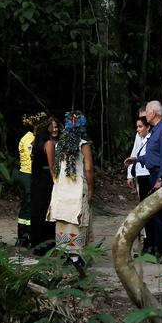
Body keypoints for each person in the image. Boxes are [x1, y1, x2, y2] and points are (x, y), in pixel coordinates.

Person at [47, 110, 94, 270]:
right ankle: (77, 258)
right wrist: (92, 189)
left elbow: (55, 167)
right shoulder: (84, 144)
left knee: (64, 220)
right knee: (78, 220)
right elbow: (88, 169)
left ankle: (68, 254)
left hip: (62, 188)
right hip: (77, 188)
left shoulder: (60, 144)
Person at [134, 99, 162, 262]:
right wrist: (138, 160)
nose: (146, 114)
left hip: (159, 175)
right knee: (156, 214)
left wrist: (161, 178)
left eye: (148, 111)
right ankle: (160, 248)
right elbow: (154, 155)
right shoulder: (156, 130)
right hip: (153, 173)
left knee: (161, 213)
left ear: (154, 113)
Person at [16, 112, 46, 246]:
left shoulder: (35, 137)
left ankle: (30, 233)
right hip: (27, 174)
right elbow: (33, 159)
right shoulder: (29, 139)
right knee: (28, 204)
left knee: (32, 204)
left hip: (30, 174)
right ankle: (23, 235)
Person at [29, 115, 57, 252]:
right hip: (46, 179)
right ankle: (47, 244)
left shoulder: (36, 142)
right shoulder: (49, 143)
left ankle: (36, 243)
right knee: (47, 211)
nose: (54, 127)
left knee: (37, 210)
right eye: (52, 125)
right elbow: (52, 166)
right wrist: (56, 181)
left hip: (37, 179)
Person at [125, 114, 152, 256]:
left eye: (140, 126)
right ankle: (146, 240)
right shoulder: (139, 136)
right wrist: (130, 173)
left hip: (149, 174)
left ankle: (150, 240)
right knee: (142, 209)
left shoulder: (152, 137)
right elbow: (134, 153)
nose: (138, 129)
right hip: (140, 174)